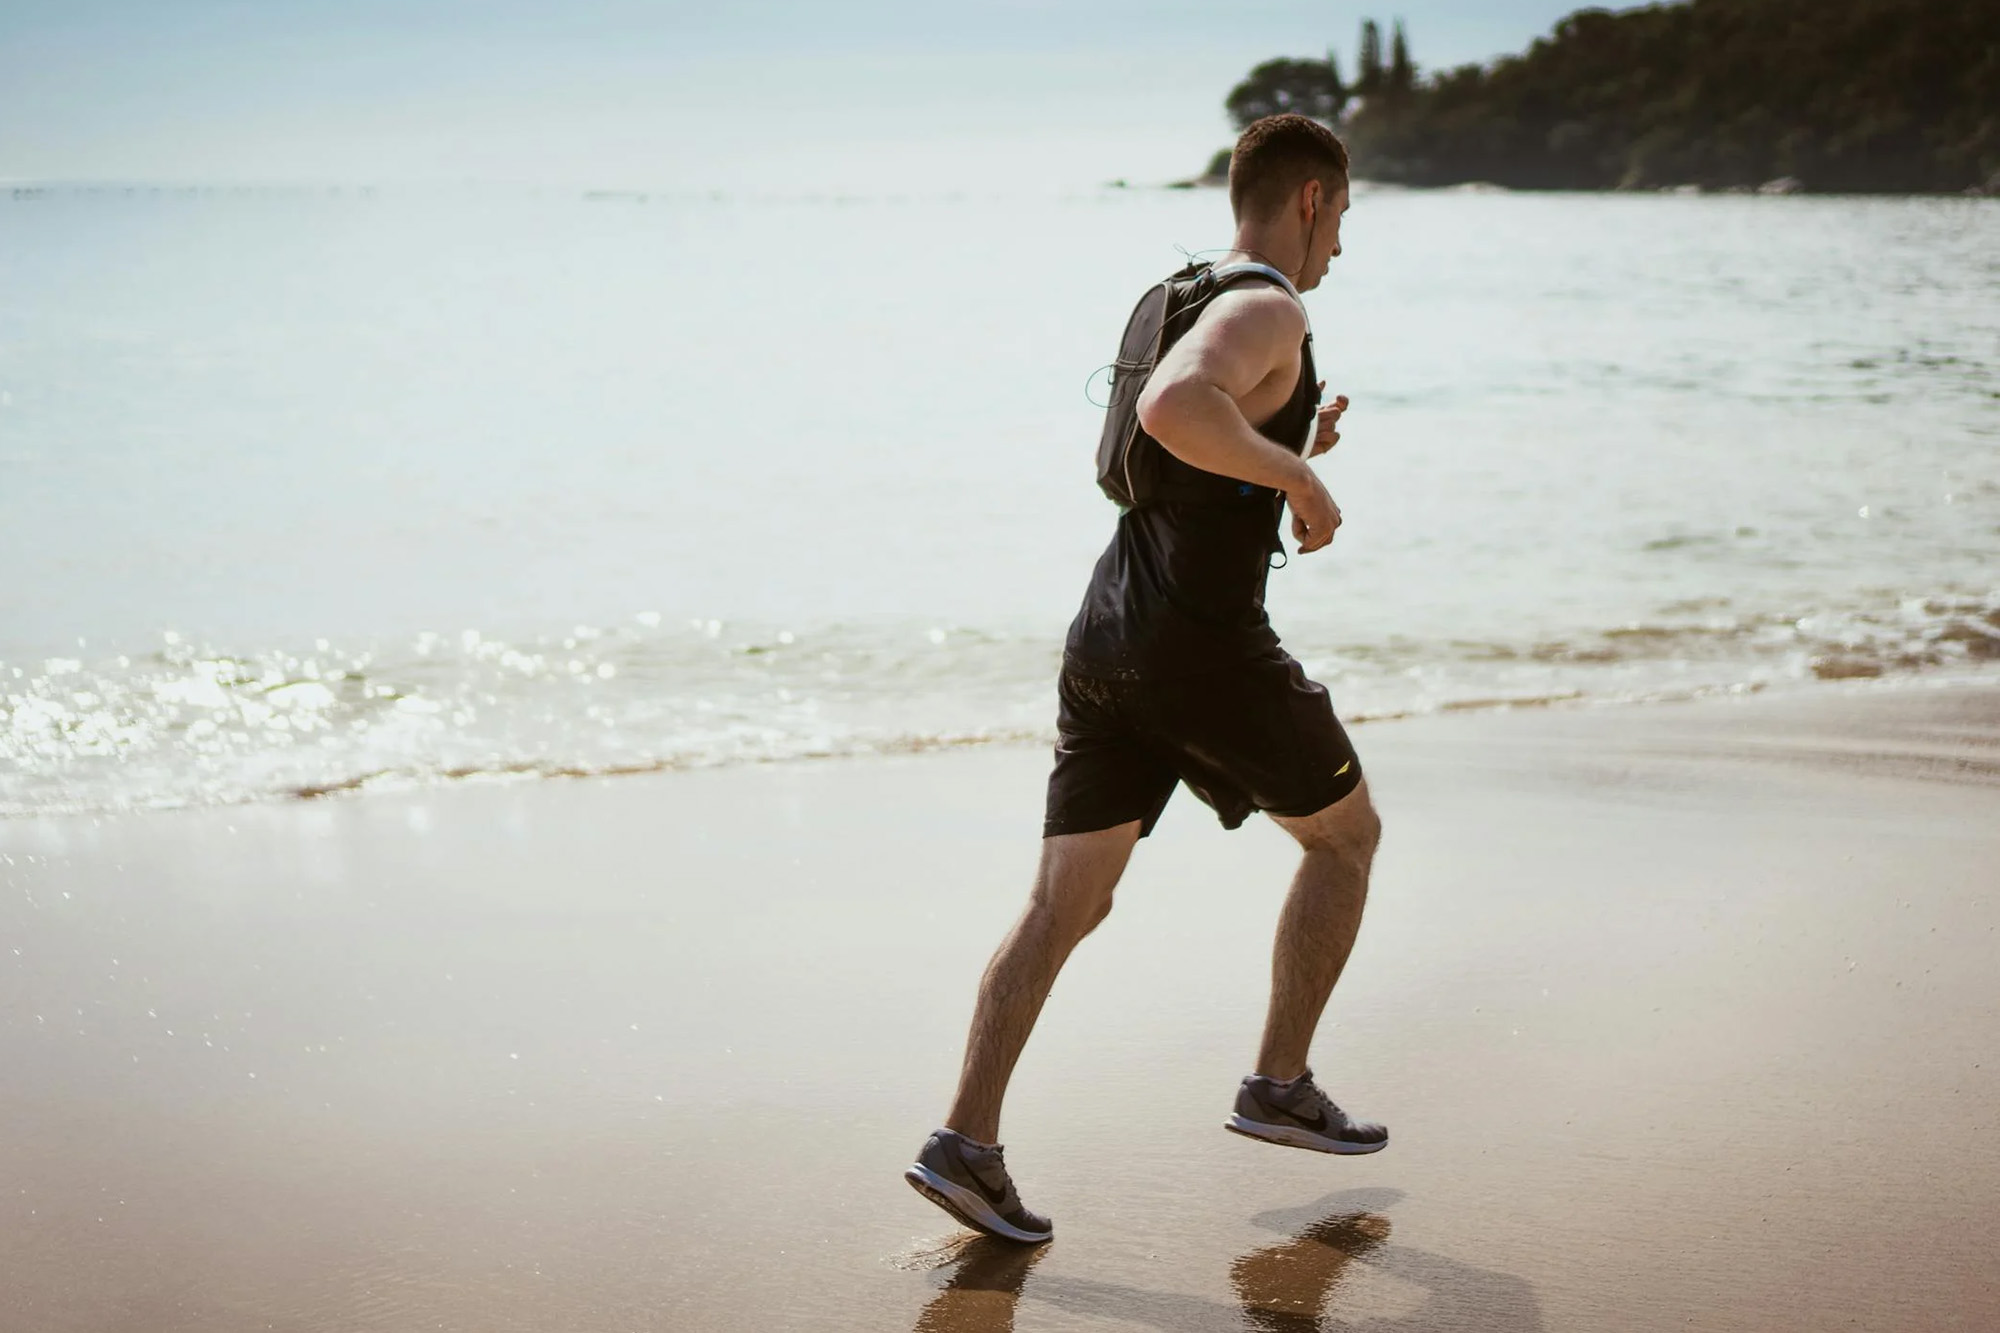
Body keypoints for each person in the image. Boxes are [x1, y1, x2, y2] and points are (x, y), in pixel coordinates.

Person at [905, 114, 1385, 1244]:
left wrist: (1276, 448)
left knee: (1062, 905)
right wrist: (1299, 486)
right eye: (1342, 220)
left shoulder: (1170, 294)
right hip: (1198, 647)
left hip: (1106, 636)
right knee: (1345, 838)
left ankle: (962, 1143)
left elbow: (1148, 458)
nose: (1339, 251)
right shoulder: (1270, 304)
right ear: (1308, 199)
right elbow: (1176, 412)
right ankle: (1278, 1082)